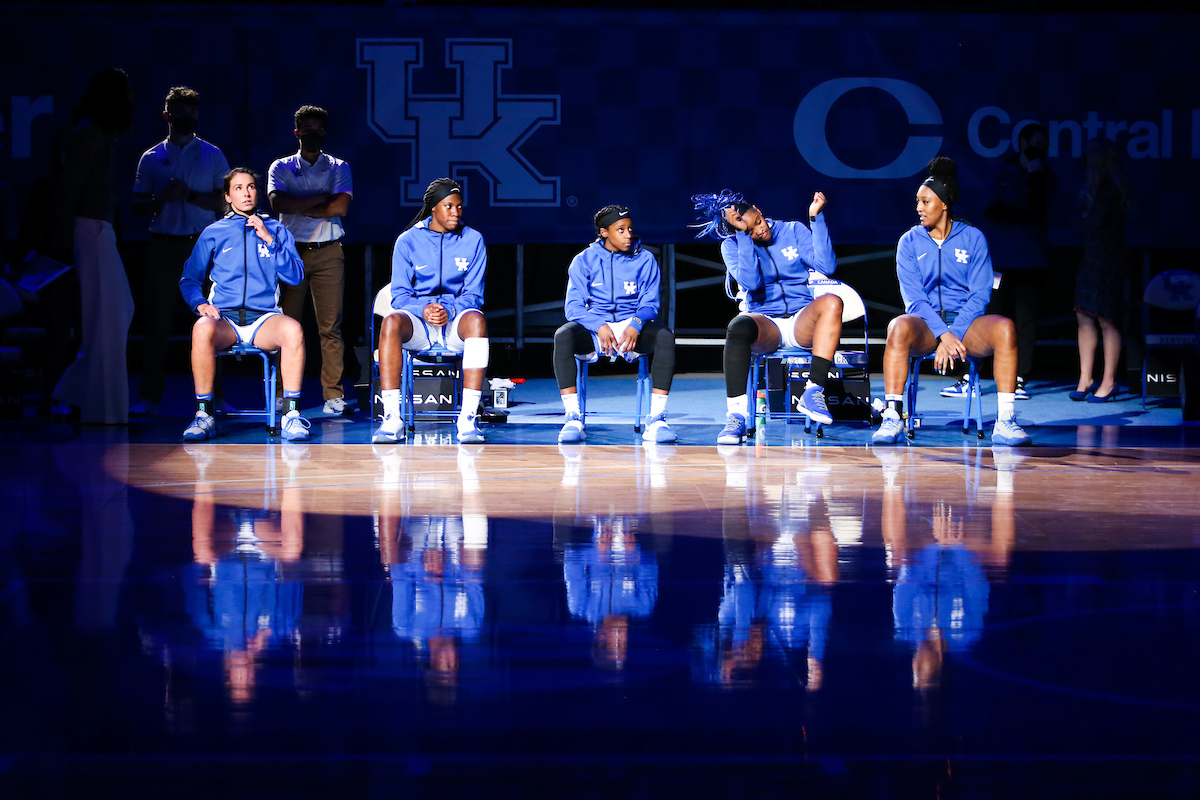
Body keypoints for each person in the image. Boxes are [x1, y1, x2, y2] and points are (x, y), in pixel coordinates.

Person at [872, 156, 1031, 447]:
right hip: (925, 325)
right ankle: (893, 416)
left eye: (925, 202)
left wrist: (954, 333)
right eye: (917, 202)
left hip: (967, 326)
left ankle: (1005, 421)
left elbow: (981, 294)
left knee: (1005, 328)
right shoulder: (908, 242)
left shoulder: (973, 238)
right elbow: (915, 300)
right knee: (898, 326)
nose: (918, 208)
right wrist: (943, 335)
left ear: (944, 203)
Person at [692, 189, 842, 444]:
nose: (759, 231)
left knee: (832, 302)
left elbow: (826, 267)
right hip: (767, 323)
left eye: (758, 222)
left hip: (800, 321)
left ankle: (814, 390)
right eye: (750, 230)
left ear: (760, 211)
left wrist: (816, 218)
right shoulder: (731, 246)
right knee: (738, 326)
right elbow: (750, 281)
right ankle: (736, 416)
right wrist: (743, 238)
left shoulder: (793, 230)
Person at [178, 168, 309, 441]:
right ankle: (204, 415)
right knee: (201, 329)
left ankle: (291, 415)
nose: (246, 192)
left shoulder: (275, 229)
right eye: (238, 188)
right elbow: (189, 279)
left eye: (250, 187)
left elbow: (295, 276)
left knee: (293, 330)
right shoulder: (214, 232)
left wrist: (270, 241)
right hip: (224, 319)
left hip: (264, 319)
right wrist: (200, 303)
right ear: (228, 196)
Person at [130, 86, 230, 417]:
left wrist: (188, 196)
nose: (187, 117)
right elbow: (137, 205)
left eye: (192, 111)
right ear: (166, 116)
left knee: (211, 323)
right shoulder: (152, 157)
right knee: (157, 326)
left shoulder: (213, 155)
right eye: (180, 112)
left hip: (203, 248)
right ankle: (149, 398)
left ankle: (215, 398)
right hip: (164, 246)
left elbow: (223, 202)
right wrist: (163, 199)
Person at [51, 67, 137, 424]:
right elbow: (69, 188)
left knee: (117, 311)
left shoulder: (100, 133)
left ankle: (82, 395)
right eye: (126, 92)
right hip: (89, 230)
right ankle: (97, 406)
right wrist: (60, 237)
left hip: (99, 230)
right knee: (107, 315)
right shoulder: (88, 133)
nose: (131, 99)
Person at [374, 178, 489, 444]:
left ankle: (468, 420)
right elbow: (400, 295)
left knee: (477, 320)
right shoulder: (407, 241)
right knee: (390, 322)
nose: (456, 213)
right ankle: (391, 419)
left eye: (459, 207)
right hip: (419, 323)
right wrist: (423, 309)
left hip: (454, 323)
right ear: (433, 209)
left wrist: (449, 309)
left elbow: (474, 295)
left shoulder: (473, 240)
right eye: (449, 206)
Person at [554, 205, 677, 444]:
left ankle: (656, 418)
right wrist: (599, 325)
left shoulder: (645, 259)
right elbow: (573, 307)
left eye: (630, 229)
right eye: (620, 230)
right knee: (563, 336)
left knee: (665, 336)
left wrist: (636, 324)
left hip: (632, 327)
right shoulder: (583, 261)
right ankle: (573, 417)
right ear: (604, 232)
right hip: (595, 329)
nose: (628, 234)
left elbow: (650, 303)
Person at [268, 105, 353, 415]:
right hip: (291, 252)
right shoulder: (281, 167)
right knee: (285, 326)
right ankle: (282, 393)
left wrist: (301, 204)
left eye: (319, 129)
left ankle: (333, 395)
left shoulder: (339, 166)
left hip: (329, 251)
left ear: (325, 132)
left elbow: (339, 207)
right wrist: (320, 197)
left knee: (330, 328)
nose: (313, 134)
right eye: (307, 129)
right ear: (297, 132)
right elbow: (278, 202)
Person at [978, 121, 1057, 400]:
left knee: (1025, 320)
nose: (1042, 150)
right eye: (1037, 144)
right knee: (988, 314)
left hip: (1032, 260)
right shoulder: (1003, 169)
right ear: (1023, 143)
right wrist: (1023, 216)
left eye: (1045, 146)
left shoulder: (1046, 175)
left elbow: (1039, 210)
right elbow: (991, 209)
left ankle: (1020, 376)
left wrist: (1034, 178)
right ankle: (973, 373)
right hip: (999, 260)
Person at [1072, 137, 1131, 403]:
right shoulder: (1091, 188)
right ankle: (1086, 377)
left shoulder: (1112, 188)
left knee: (1107, 318)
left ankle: (1109, 381)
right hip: (1091, 257)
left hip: (1109, 259)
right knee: (1083, 315)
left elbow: (1094, 221)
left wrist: (1087, 217)